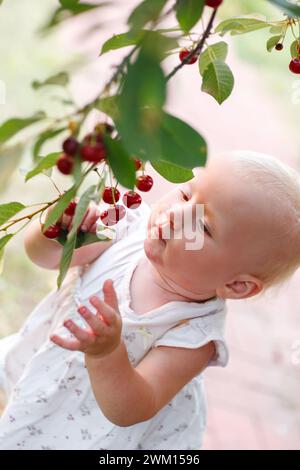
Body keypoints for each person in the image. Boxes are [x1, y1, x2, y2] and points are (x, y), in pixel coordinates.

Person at [0, 150, 300, 450]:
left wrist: (106, 354)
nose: (177, 215)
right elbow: (45, 258)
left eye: (204, 227)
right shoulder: (126, 226)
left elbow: (130, 408)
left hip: (82, 431)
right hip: (37, 369)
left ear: (237, 285)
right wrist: (55, 234)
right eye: (185, 195)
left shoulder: (193, 334)